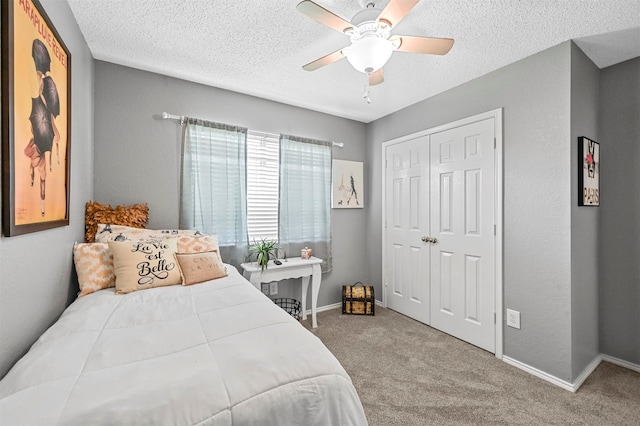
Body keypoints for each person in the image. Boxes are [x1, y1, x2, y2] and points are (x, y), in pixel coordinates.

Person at [24, 39, 60, 217]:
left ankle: (42, 201)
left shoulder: (44, 86)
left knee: (39, 173)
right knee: (39, 173)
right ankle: (37, 189)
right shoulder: (42, 86)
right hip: (40, 132)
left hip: (41, 135)